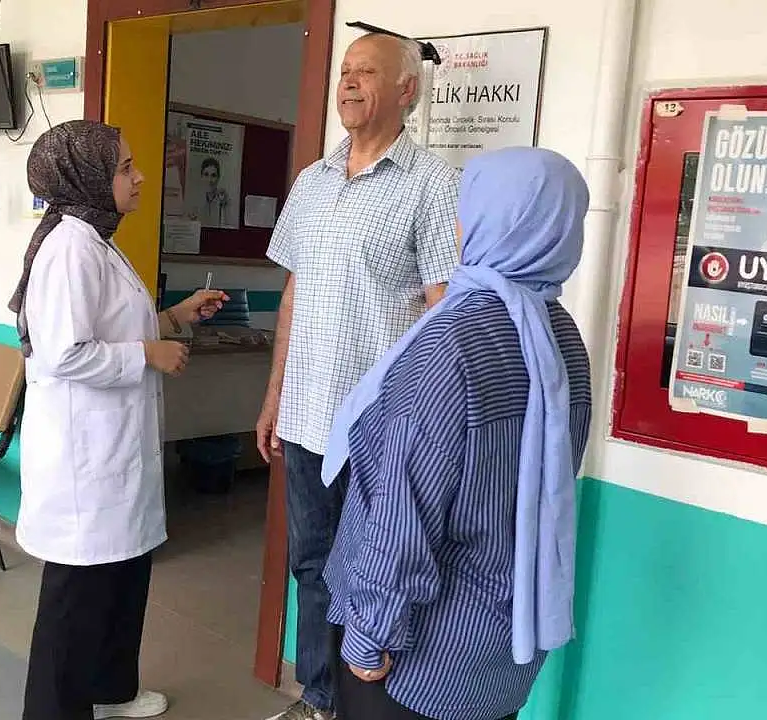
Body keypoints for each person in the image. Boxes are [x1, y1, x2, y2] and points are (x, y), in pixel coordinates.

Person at [320, 148, 594, 720]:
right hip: (501, 643)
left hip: (419, 659)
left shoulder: (452, 342)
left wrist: (371, 631)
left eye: (466, 213)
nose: (457, 226)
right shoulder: (561, 338)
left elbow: (402, 509)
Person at [259, 31, 460, 720]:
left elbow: (443, 309)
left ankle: (363, 707)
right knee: (312, 567)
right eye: (345, 71)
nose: (347, 82)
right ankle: (319, 700)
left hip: (379, 428)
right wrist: (273, 396)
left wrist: (427, 422)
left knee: (376, 575)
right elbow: (293, 295)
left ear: (406, 90)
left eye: (366, 72)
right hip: (306, 415)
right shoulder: (311, 182)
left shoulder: (433, 183)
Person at [9, 120, 227, 720]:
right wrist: (147, 355)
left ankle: (110, 690)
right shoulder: (70, 248)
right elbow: (64, 352)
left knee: (122, 578)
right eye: (125, 167)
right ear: (86, 176)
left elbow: (114, 325)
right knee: (77, 597)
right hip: (85, 460)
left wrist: (176, 316)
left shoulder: (97, 238)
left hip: (115, 450)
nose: (139, 177)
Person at [196, 157, 231, 227]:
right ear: (201, 176)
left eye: (213, 175)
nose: (209, 180)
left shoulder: (225, 201)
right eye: (206, 174)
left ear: (218, 178)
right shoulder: (195, 203)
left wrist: (223, 208)